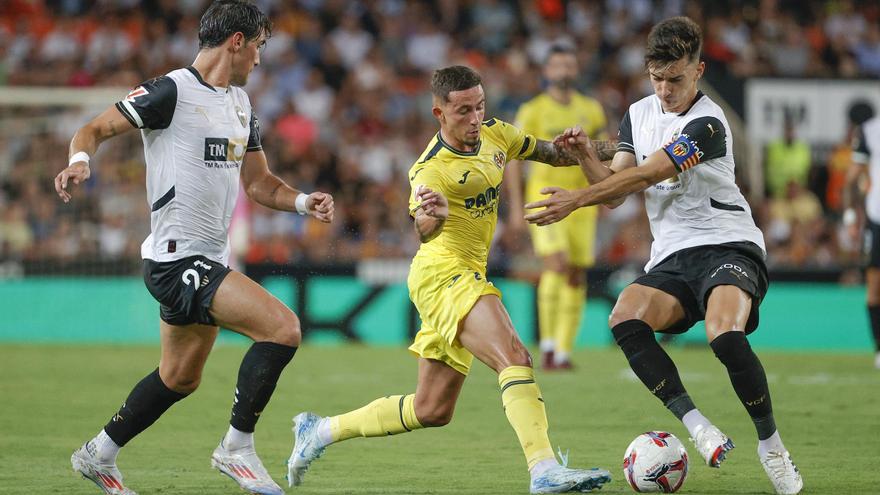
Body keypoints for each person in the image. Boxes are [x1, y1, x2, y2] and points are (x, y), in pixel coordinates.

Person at [285, 65, 612, 494]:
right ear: (439, 113)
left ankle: (320, 430)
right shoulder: (429, 169)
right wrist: (432, 217)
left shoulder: (498, 133)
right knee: (514, 355)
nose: (475, 118)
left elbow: (554, 154)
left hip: (464, 273)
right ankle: (544, 469)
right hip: (443, 272)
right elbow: (422, 226)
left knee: (432, 408)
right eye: (463, 111)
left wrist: (609, 148)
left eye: (479, 107)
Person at [55, 2, 334, 494]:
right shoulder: (171, 91)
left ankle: (98, 453)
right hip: (176, 259)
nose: (260, 60)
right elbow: (94, 128)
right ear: (237, 41)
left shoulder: (241, 105)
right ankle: (236, 447)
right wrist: (81, 160)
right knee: (283, 328)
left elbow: (260, 184)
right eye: (261, 47)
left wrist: (303, 202)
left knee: (180, 378)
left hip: (208, 260)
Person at [523, 17, 803, 495]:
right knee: (624, 318)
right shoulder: (638, 113)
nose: (665, 90)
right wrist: (588, 157)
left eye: (675, 79)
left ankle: (772, 447)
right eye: (657, 79)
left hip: (727, 242)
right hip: (673, 254)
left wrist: (573, 200)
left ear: (698, 71)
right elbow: (614, 189)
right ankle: (698, 426)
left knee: (724, 335)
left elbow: (646, 176)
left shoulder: (709, 123)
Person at [506, 43, 614, 370]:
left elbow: (605, 150)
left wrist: (607, 188)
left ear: (575, 70)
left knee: (576, 274)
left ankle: (564, 351)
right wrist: (514, 208)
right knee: (556, 264)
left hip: (583, 202)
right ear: (546, 72)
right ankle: (549, 347)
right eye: (557, 66)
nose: (564, 71)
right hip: (546, 196)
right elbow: (513, 158)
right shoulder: (533, 110)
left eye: (569, 65)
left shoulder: (591, 109)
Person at [845, 105, 880, 369]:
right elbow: (852, 180)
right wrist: (850, 217)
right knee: (875, 288)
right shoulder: (869, 131)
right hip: (877, 220)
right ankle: (879, 349)